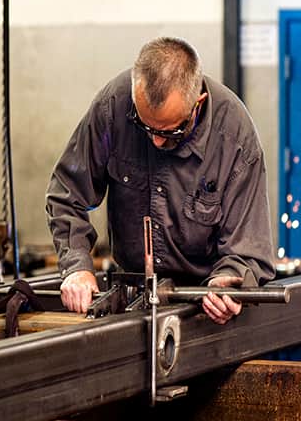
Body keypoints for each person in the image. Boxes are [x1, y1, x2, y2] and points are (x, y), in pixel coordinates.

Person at [46, 37, 275, 324]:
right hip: (131, 302)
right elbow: (67, 194)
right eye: (145, 127)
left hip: (203, 309)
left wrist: (228, 281)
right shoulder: (114, 107)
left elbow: (249, 250)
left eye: (170, 131)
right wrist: (77, 267)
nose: (155, 141)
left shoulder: (234, 138)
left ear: (198, 104)